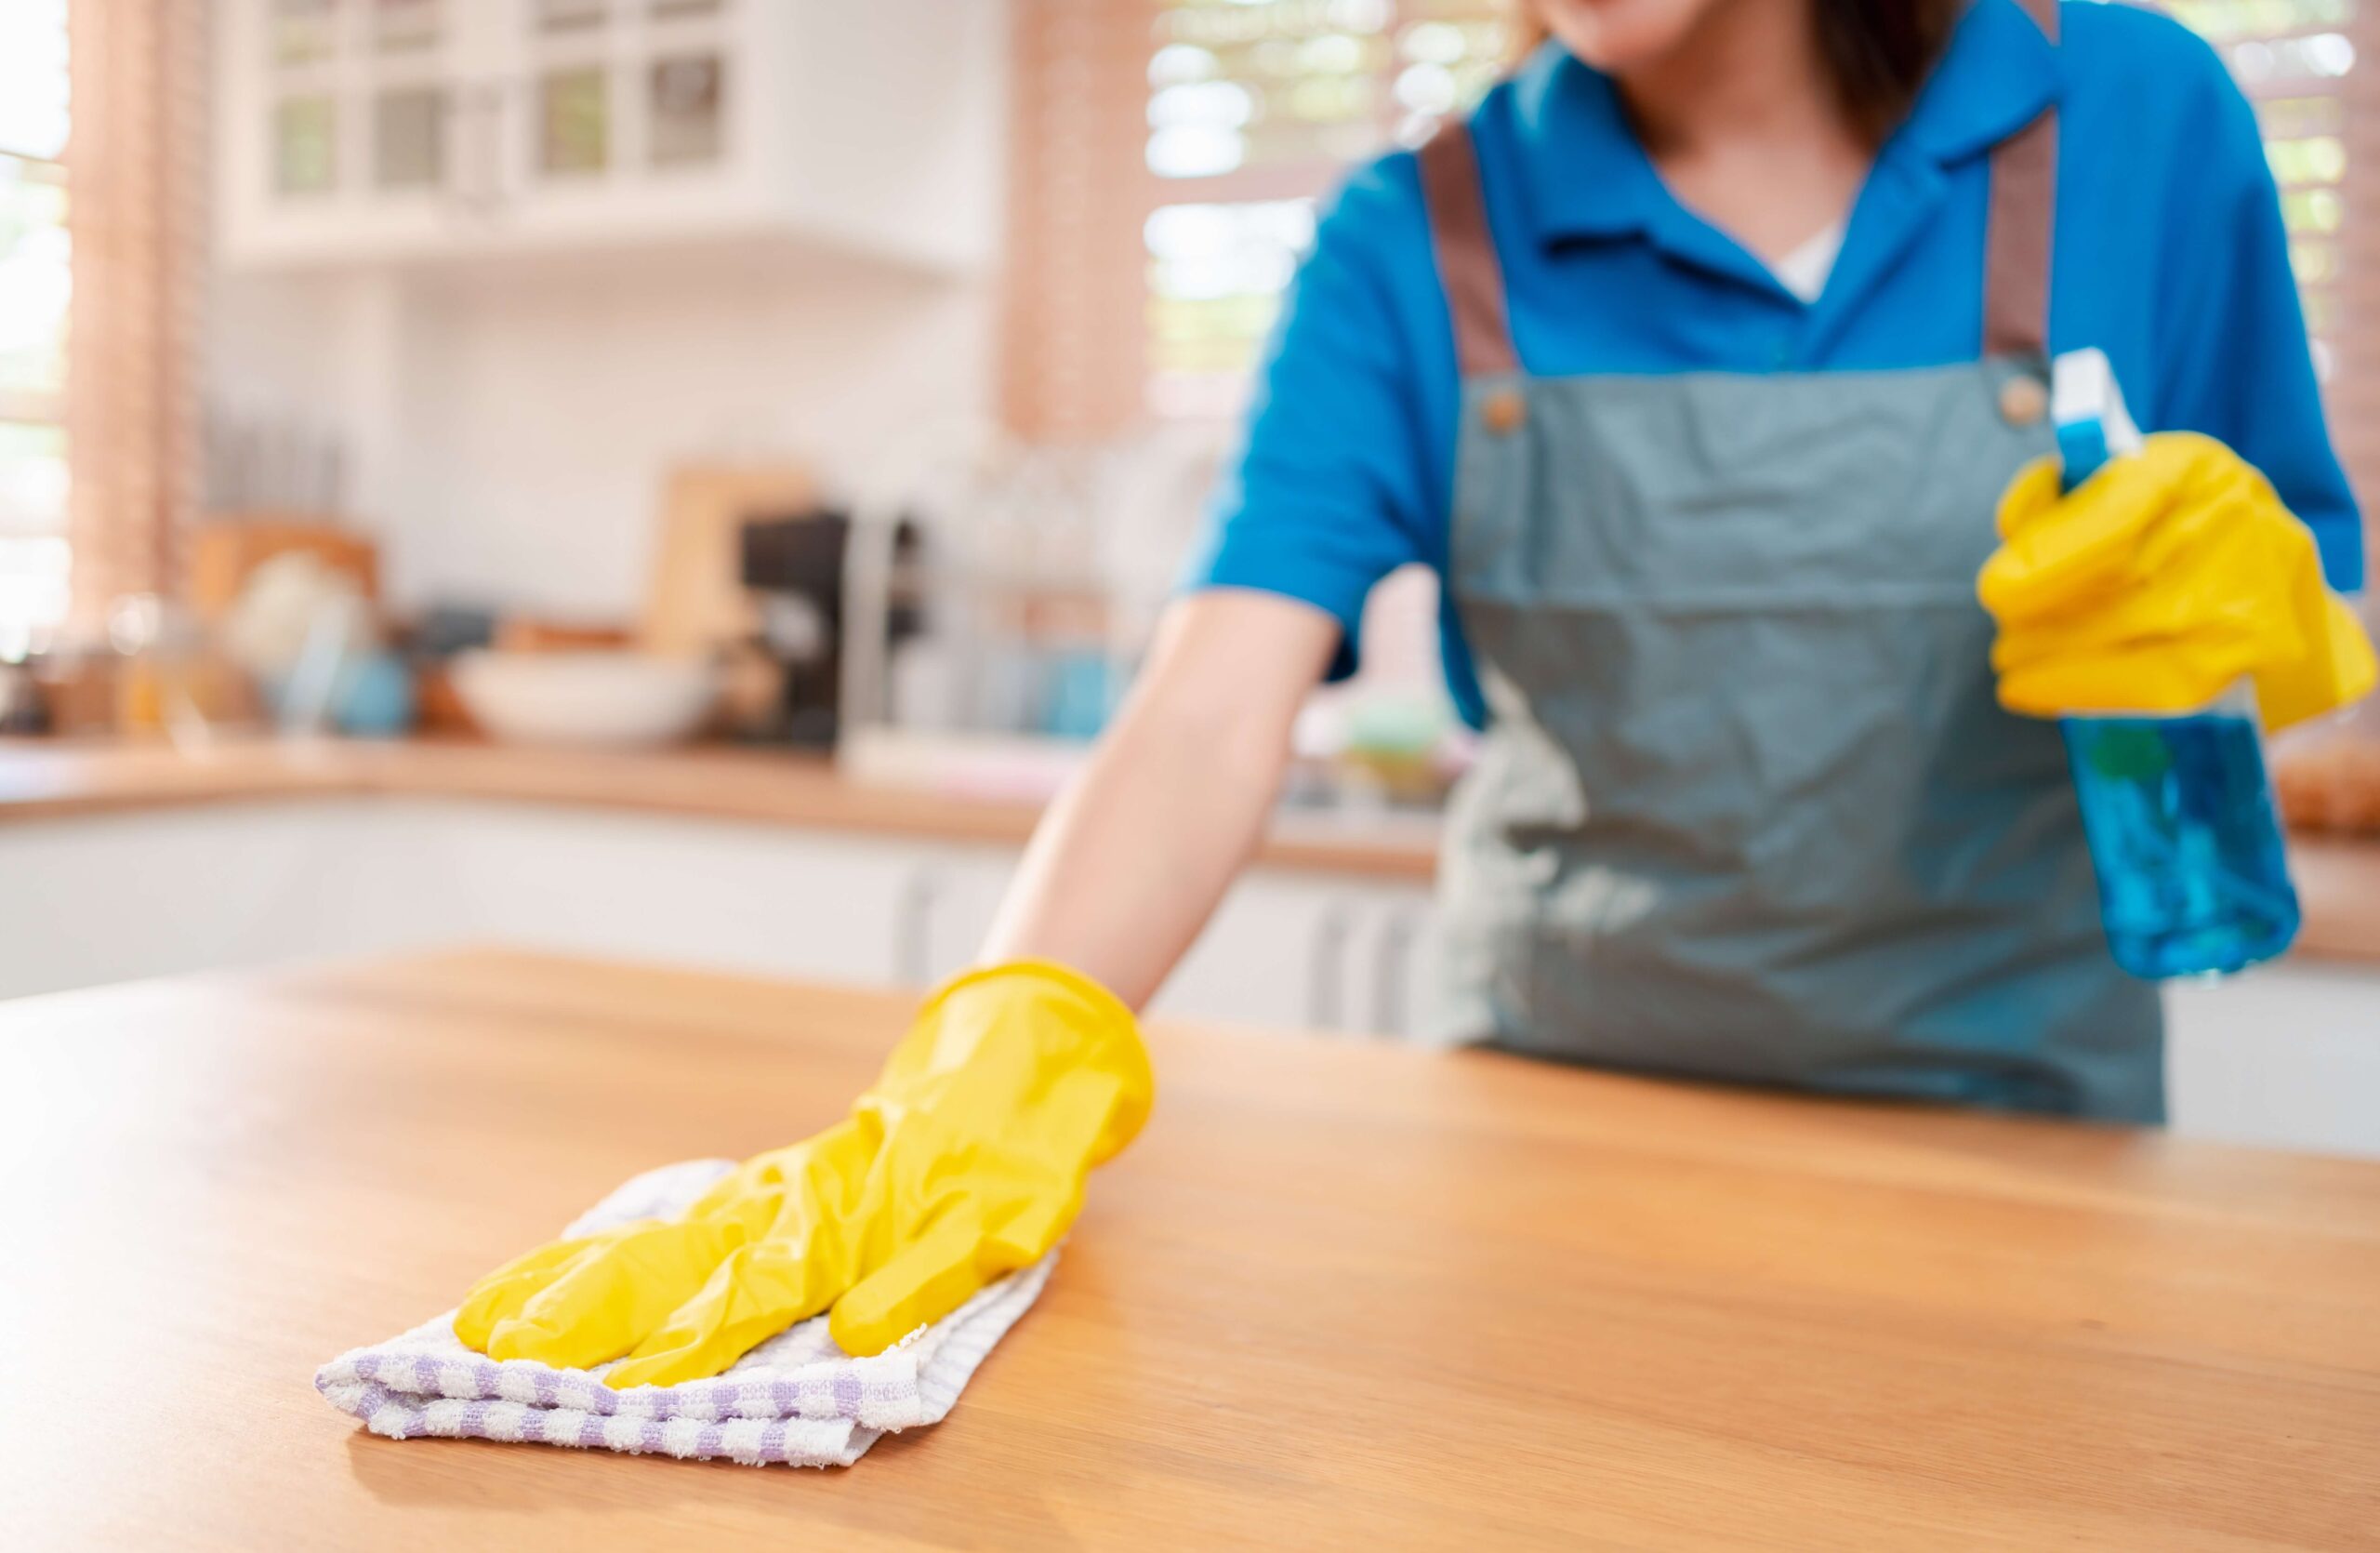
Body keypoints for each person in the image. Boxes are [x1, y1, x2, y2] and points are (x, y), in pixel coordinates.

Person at [453, 0, 2373, 1387]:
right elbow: (1217, 695)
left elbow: (2310, 586)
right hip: (1538, 1148)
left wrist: (2275, 617)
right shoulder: (1418, 233)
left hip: (2017, 1145)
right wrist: (992, 1047)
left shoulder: (2132, 110)